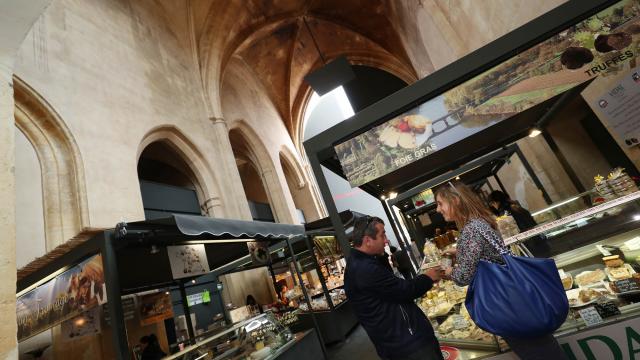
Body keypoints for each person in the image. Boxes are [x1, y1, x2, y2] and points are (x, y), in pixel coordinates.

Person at [436, 182, 566, 360]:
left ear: (456, 201)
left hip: (511, 307)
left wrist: (450, 271)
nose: (438, 209)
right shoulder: (480, 222)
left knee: (539, 353)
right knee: (546, 350)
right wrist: (460, 251)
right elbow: (490, 253)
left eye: (440, 204)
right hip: (519, 298)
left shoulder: (470, 230)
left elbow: (463, 277)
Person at [344, 215, 444, 360]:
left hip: (403, 342)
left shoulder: (365, 262)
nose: (386, 240)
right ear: (367, 241)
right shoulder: (364, 268)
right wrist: (428, 277)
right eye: (382, 235)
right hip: (407, 346)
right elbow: (404, 290)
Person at [488, 190, 550, 257]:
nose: (493, 206)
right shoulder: (516, 206)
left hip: (528, 245)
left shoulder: (505, 213)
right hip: (538, 239)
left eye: (492, 203)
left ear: (496, 201)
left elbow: (511, 232)